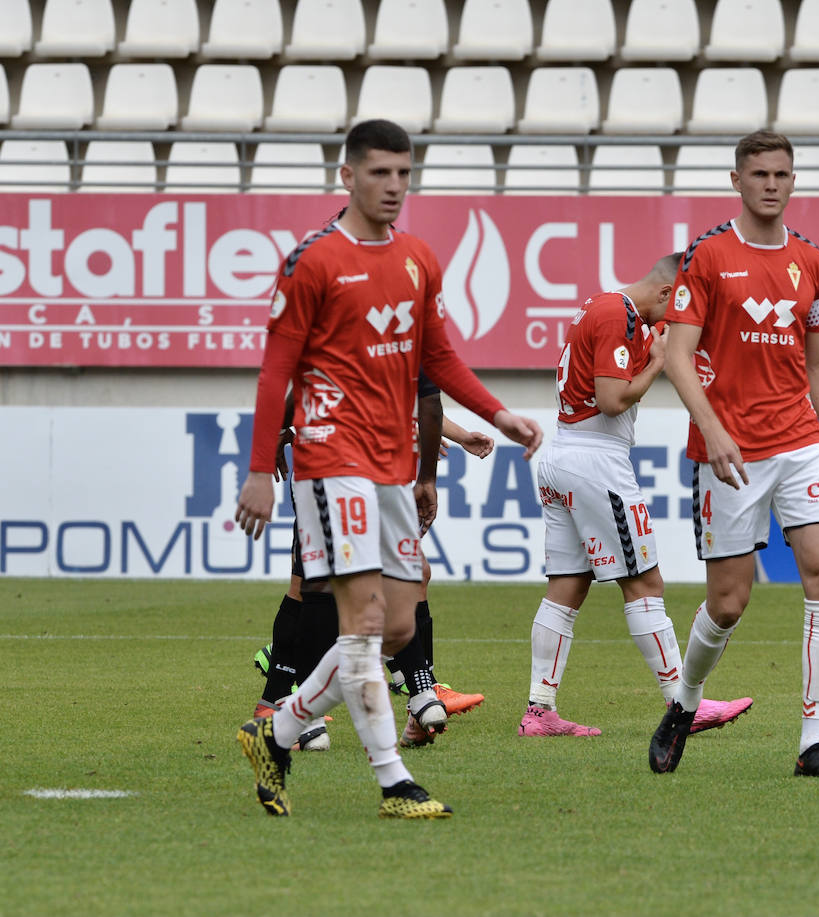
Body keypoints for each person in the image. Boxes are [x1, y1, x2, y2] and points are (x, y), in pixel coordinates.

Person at [234, 118, 542, 819]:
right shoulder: (311, 261)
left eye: (404, 173)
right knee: (364, 615)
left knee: (398, 625)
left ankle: (276, 731)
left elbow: (440, 357)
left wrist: (498, 415)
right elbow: (273, 370)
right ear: (347, 176)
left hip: (391, 463)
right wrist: (260, 468)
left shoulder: (418, 259)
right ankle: (393, 780)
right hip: (327, 458)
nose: (395, 186)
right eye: (380, 173)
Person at [648, 130, 819, 777]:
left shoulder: (813, 262)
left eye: (783, 174)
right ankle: (685, 702)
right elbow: (676, 356)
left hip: (799, 443)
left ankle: (812, 743)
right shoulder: (708, 257)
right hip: (729, 451)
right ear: (736, 180)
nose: (772, 184)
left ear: (795, 182)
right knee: (729, 601)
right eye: (760, 173)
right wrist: (710, 427)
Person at [521, 253, 753, 738]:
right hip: (595, 462)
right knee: (645, 584)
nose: (673, 322)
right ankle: (682, 706)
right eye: (677, 309)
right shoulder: (619, 314)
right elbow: (611, 398)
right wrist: (660, 364)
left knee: (566, 588)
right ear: (668, 293)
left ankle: (539, 711)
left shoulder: (596, 305)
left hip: (563, 453)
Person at [252, 404, 492, 752]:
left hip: (363, 459)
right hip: (348, 462)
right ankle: (417, 690)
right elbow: (422, 390)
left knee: (349, 585)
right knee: (331, 588)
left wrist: (436, 431)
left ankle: (299, 706)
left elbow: (417, 392)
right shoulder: (367, 357)